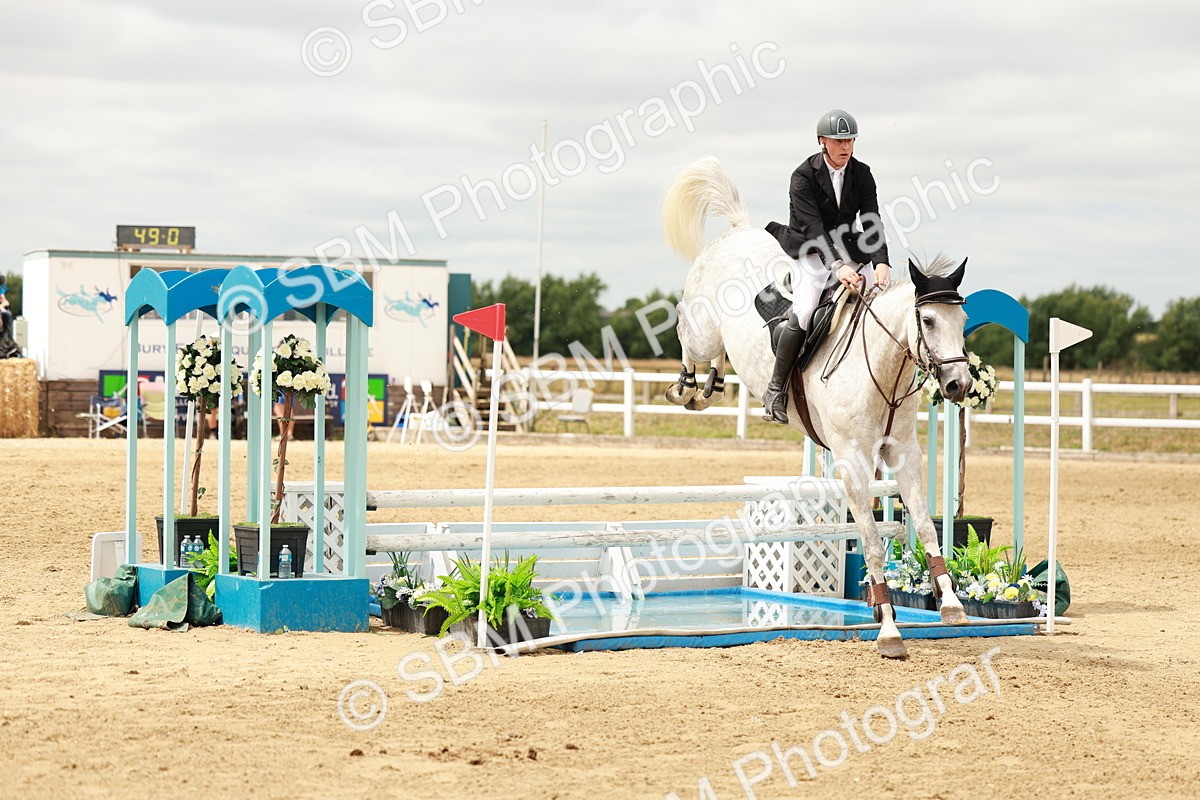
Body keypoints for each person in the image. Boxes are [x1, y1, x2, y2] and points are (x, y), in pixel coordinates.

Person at [762, 109, 893, 424]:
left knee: (878, 302)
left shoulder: (862, 174)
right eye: (838, 140)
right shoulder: (803, 177)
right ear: (822, 142)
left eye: (849, 140)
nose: (845, 146)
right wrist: (837, 267)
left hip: (848, 247)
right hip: (811, 249)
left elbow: (871, 220)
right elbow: (814, 229)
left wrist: (881, 262)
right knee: (806, 310)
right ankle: (776, 389)